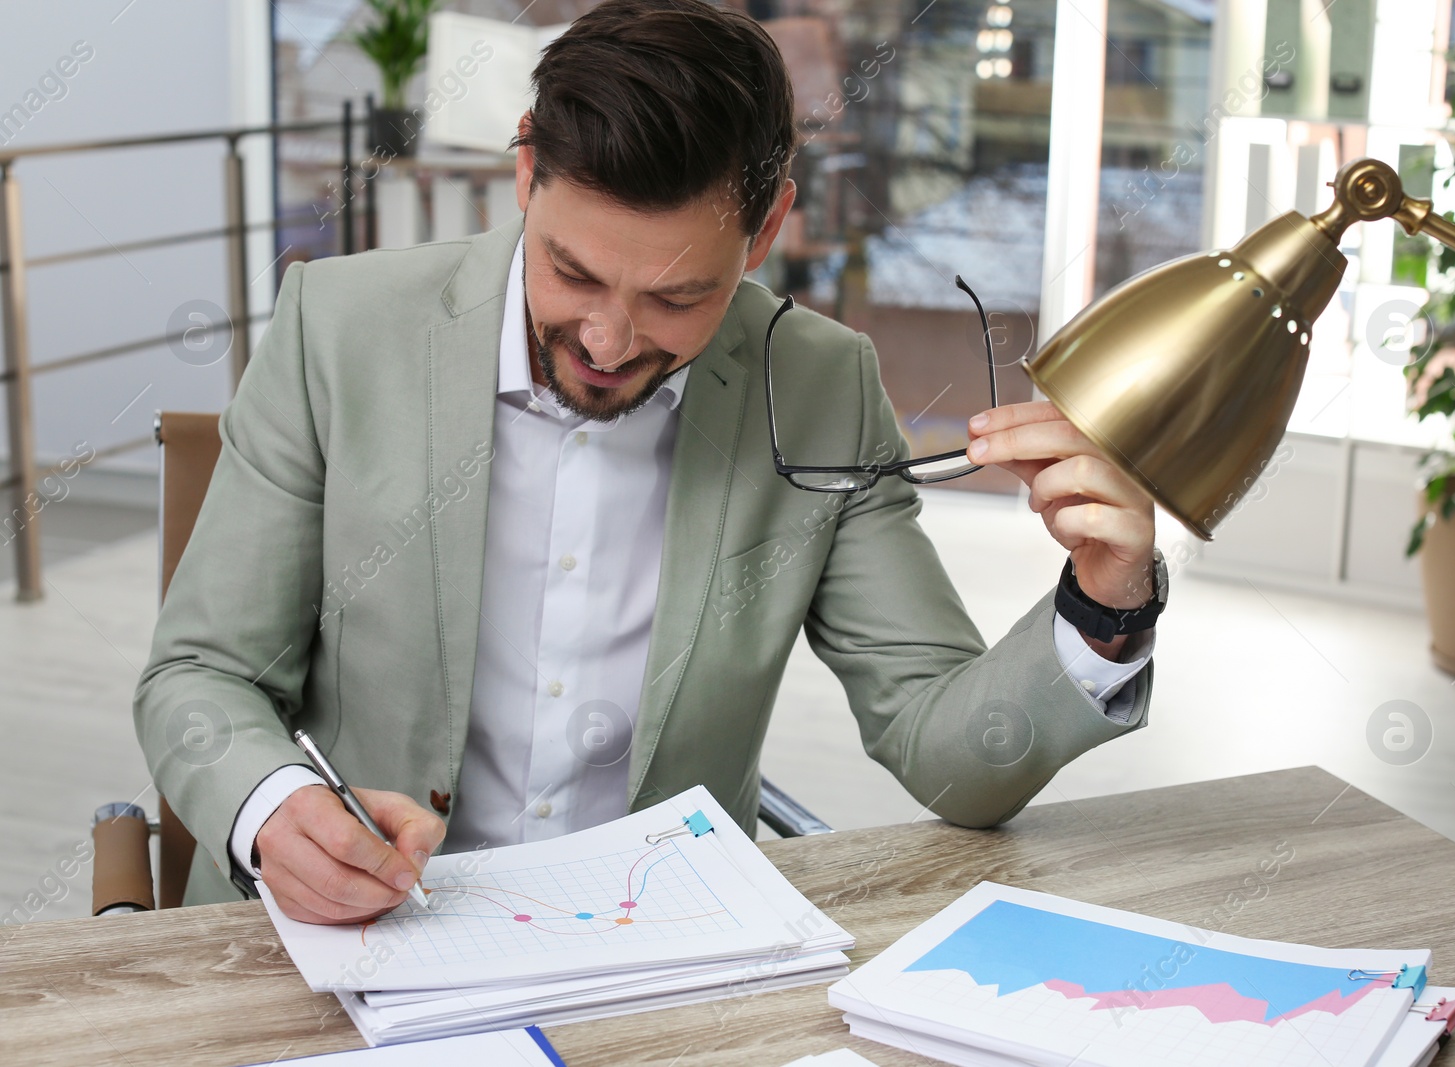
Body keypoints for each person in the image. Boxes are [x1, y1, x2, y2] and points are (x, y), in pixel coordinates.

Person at [133, 0, 1162, 924]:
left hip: (653, 960)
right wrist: (275, 807)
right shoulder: (339, 328)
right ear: (527, 170)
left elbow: (952, 761)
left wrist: (1103, 603)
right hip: (350, 947)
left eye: (677, 299)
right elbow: (202, 672)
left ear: (764, 231)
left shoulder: (820, 385)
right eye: (571, 271)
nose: (610, 340)